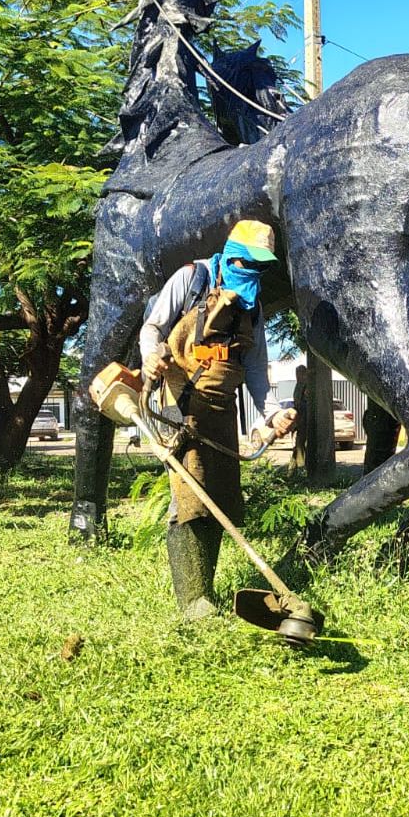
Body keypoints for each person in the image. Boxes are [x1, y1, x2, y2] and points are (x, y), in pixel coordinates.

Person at [140, 219, 297, 619]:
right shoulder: (192, 278)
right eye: (249, 263)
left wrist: (274, 413)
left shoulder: (253, 308)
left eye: (263, 266)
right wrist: (151, 355)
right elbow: (153, 326)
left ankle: (204, 588)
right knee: (191, 496)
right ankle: (192, 601)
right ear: (231, 255)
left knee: (221, 498)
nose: (255, 273)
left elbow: (258, 372)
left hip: (223, 408)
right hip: (179, 400)